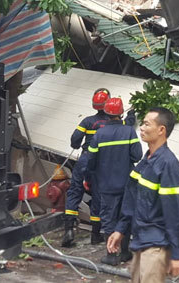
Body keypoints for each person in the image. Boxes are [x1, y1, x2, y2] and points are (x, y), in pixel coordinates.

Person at [108, 107, 179, 282]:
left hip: (157, 245)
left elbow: (176, 211)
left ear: (161, 130)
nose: (142, 128)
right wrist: (120, 230)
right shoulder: (146, 162)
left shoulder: (168, 165)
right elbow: (131, 199)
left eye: (147, 124)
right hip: (142, 240)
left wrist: (178, 253)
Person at [87, 97, 143, 265]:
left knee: (109, 220)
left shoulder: (99, 135)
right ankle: (125, 252)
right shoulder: (129, 132)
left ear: (105, 113)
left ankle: (111, 255)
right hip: (127, 184)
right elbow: (137, 156)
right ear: (121, 113)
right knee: (125, 217)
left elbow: (91, 162)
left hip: (107, 186)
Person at [61, 88, 111, 247]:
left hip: (85, 159)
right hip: (101, 163)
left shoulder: (87, 122)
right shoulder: (115, 123)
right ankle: (96, 235)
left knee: (75, 191)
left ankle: (68, 230)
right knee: (97, 195)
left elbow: (75, 139)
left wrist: (76, 144)